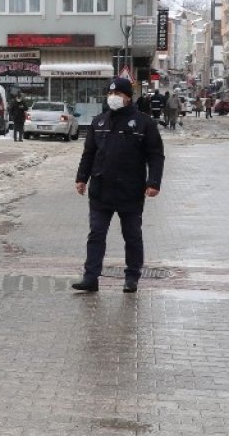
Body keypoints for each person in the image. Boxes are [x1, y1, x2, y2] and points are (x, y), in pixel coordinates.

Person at [73, 76, 165, 294]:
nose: (113, 97)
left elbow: (156, 155)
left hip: (130, 190)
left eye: (118, 94)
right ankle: (90, 277)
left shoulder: (144, 123)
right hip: (101, 189)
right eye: (110, 93)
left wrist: (154, 182)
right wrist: (81, 178)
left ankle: (132, 277)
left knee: (132, 236)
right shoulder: (99, 122)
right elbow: (89, 153)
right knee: (96, 234)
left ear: (128, 97)